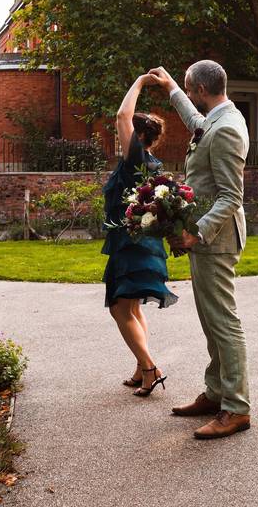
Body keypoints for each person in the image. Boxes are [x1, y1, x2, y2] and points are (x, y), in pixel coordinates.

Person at [148, 61, 251, 440]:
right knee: (211, 321)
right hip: (207, 241)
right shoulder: (217, 116)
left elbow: (230, 196)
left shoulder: (225, 130)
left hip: (216, 241)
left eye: (191, 91)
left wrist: (196, 235)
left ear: (202, 90)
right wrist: (173, 87)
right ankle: (216, 393)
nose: (191, 98)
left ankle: (236, 408)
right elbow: (195, 120)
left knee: (223, 322)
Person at [101, 73, 176, 397]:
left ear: (140, 134)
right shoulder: (151, 164)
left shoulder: (136, 159)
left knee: (120, 307)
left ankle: (150, 368)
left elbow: (122, 115)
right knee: (132, 308)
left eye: (129, 132)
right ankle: (140, 367)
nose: (121, 135)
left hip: (132, 244)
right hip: (140, 243)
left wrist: (141, 82)